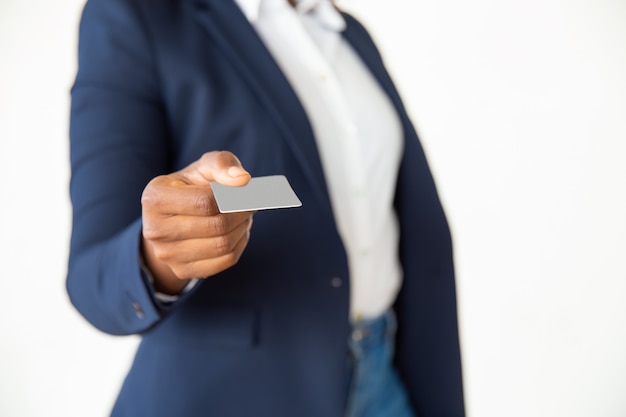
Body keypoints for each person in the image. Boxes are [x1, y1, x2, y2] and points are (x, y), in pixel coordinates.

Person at [67, 0, 465, 416]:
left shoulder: (349, 32)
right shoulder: (137, 16)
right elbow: (93, 275)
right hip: (237, 395)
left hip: (384, 374)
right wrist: (162, 253)